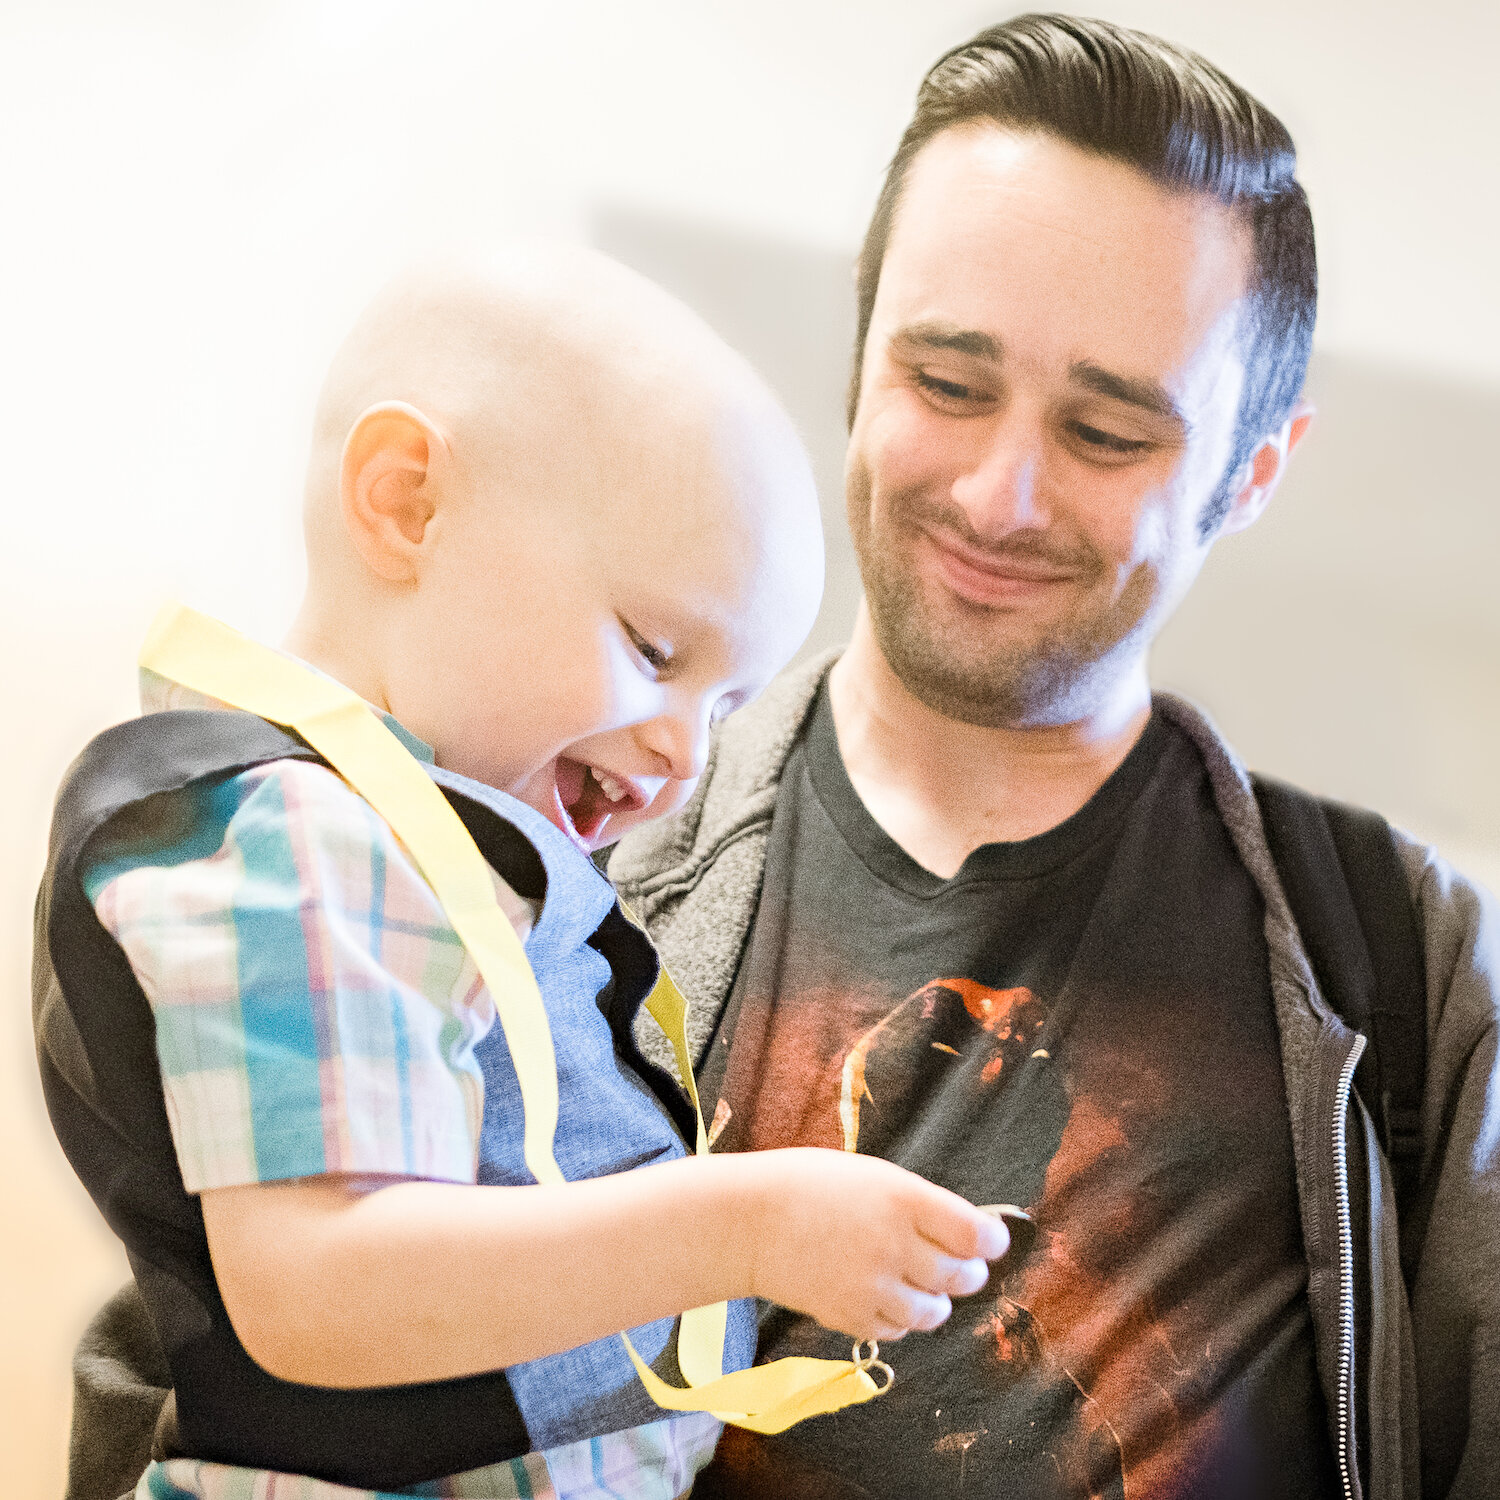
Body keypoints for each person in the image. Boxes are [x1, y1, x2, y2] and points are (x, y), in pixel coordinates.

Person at [605, 16, 1500, 1500]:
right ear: (861, 356)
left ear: (1252, 469)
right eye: (948, 386)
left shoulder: (1409, 963)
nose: (997, 492)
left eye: (1104, 432)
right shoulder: (564, 860)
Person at [33, 248, 1010, 1500]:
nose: (683, 753)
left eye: (727, 708)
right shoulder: (291, 843)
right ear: (406, 507)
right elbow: (321, 1287)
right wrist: (750, 1225)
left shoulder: (415, 846)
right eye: (654, 649)